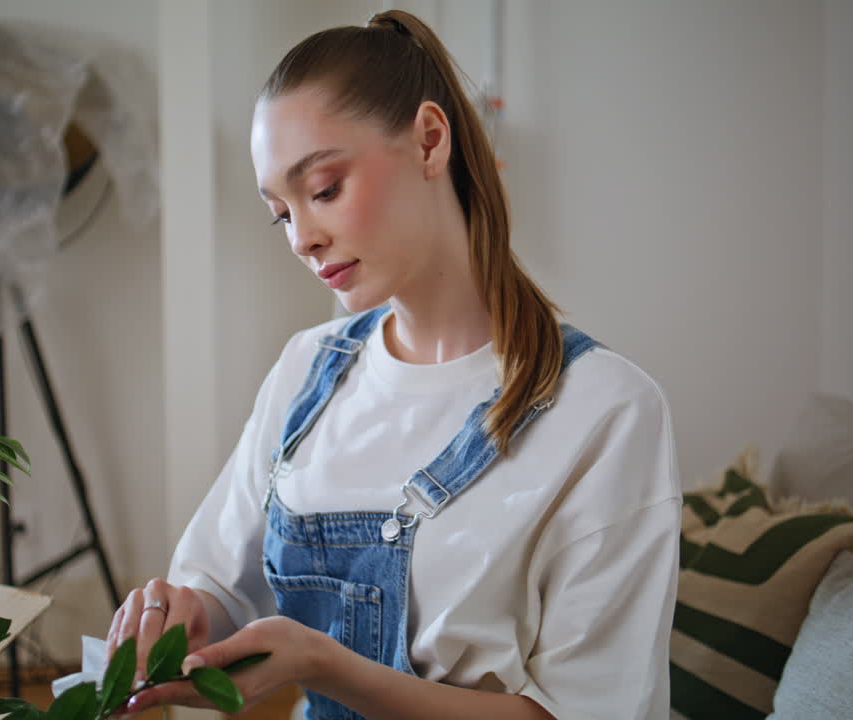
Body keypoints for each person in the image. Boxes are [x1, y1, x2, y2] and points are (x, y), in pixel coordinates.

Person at [106, 10, 681, 720]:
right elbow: (224, 588)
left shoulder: (605, 411)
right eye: (280, 214)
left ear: (430, 140)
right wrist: (180, 615)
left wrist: (324, 665)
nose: (302, 240)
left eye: (322, 190)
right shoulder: (307, 370)